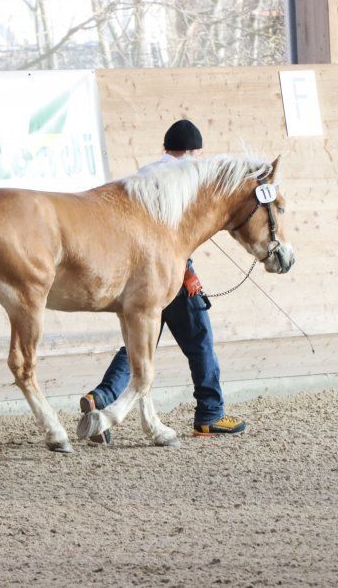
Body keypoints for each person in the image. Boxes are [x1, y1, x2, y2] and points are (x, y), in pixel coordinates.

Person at [80, 119, 247, 444]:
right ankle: (210, 415)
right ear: (191, 152)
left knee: (140, 343)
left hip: (142, 271)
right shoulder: (180, 177)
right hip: (168, 271)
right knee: (200, 339)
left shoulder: (147, 172)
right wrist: (187, 272)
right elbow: (168, 236)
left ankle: (101, 397)